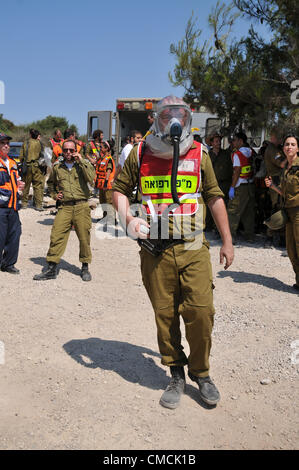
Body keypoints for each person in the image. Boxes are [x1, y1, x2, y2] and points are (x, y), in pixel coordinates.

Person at [113, 95, 234, 409]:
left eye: (180, 115)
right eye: (168, 116)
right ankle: (176, 373)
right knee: (165, 316)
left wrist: (227, 240)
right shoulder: (140, 153)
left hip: (192, 245)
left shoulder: (199, 153)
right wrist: (128, 218)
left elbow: (214, 196)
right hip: (155, 251)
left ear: (188, 118)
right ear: (158, 119)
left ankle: (201, 373)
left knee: (201, 312)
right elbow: (119, 190)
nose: (174, 122)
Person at [33, 139, 95, 282]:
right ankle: (51, 268)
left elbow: (92, 178)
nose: (68, 153)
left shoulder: (82, 165)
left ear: (76, 151)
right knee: (56, 235)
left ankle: (85, 267)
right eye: (65, 150)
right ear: (62, 151)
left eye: (71, 150)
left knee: (84, 238)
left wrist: (82, 160)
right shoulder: (57, 167)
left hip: (81, 206)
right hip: (65, 206)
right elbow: (50, 183)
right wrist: (55, 195)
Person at [265, 134, 299, 290]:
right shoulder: (286, 168)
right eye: (287, 144)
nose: (289, 147)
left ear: (297, 148)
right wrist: (273, 186)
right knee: (291, 249)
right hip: (289, 212)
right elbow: (286, 193)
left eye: (293, 144)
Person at [0, 133, 25, 274]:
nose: (6, 145)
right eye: (3, 143)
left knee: (15, 234)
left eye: (7, 143)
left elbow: (15, 181)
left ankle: (8, 264)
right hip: (1, 207)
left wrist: (19, 184)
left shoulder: (13, 163)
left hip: (13, 206)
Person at [227, 132, 256, 244]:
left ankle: (230, 237)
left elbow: (237, 171)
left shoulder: (237, 154)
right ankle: (250, 236)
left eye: (235, 140)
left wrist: (232, 187)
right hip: (250, 185)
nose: (233, 142)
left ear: (240, 141)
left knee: (233, 212)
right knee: (248, 212)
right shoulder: (251, 152)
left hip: (240, 186)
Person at [264, 127, 287, 248]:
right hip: (275, 180)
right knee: (276, 207)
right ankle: (270, 235)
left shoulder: (277, 148)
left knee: (282, 207)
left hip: (281, 179)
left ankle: (281, 236)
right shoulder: (272, 149)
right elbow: (282, 163)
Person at [206, 133, 233, 233]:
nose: (218, 143)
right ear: (212, 143)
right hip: (211, 184)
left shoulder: (226, 154)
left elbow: (231, 168)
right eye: (216, 141)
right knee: (210, 205)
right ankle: (208, 226)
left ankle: (218, 229)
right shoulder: (208, 155)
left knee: (223, 206)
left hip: (224, 184)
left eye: (219, 141)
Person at [19, 128, 45, 211]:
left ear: (30, 135)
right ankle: (38, 205)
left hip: (27, 166)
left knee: (26, 185)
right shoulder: (40, 143)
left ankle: (24, 204)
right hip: (37, 167)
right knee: (37, 186)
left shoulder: (25, 143)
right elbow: (43, 155)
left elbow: (21, 157)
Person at [95, 141, 116, 226]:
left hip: (107, 185)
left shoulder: (109, 159)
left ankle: (111, 220)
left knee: (109, 202)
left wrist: (106, 182)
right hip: (101, 184)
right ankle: (105, 218)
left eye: (101, 147)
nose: (99, 149)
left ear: (106, 148)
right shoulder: (101, 158)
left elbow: (108, 171)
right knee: (103, 202)